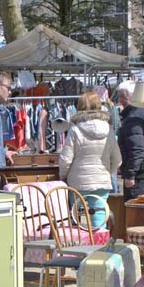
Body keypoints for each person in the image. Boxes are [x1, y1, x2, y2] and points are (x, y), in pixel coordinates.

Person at [58, 91, 121, 228]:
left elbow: (66, 160)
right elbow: (117, 159)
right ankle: (99, 245)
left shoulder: (75, 130)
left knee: (76, 218)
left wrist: (63, 175)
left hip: (78, 182)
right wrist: (108, 171)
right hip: (102, 181)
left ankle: (78, 247)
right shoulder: (109, 129)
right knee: (99, 217)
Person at [117, 81, 144, 201]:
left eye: (122, 96)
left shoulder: (134, 118)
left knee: (136, 214)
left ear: (132, 96)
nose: (120, 100)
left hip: (139, 176)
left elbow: (137, 149)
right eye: (119, 96)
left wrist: (131, 174)